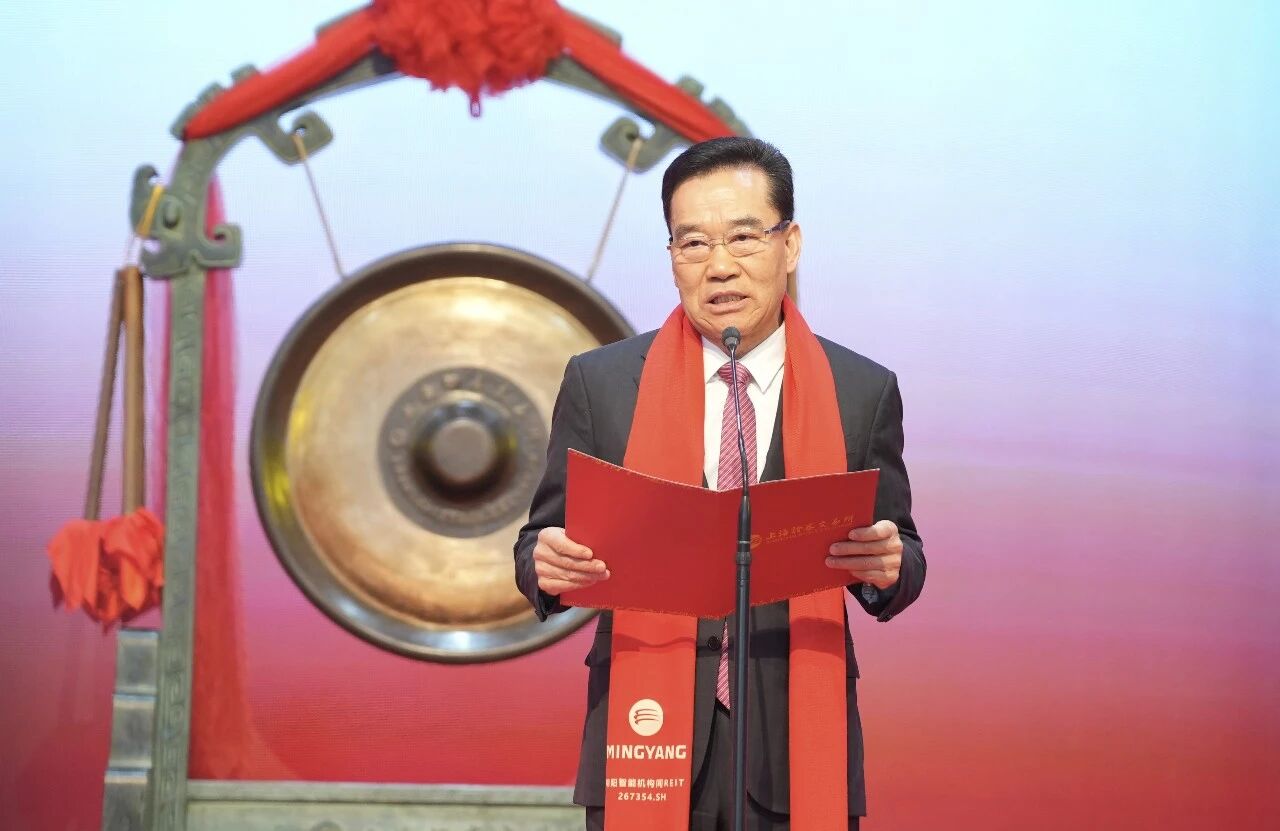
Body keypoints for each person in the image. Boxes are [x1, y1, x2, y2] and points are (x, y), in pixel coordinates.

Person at [514, 137, 925, 831]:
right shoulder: (602, 384)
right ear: (672, 256)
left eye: (743, 237)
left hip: (795, 743)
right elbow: (538, 544)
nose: (720, 265)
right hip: (645, 733)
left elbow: (902, 556)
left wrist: (889, 567)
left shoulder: (861, 390)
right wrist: (545, 565)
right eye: (694, 243)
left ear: (790, 245)